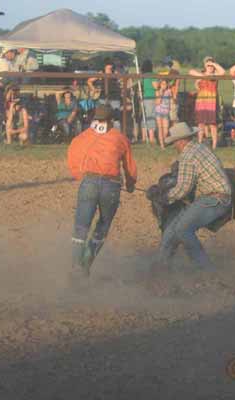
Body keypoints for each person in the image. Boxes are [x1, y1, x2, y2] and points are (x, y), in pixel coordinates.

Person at [67, 105, 138, 278]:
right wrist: (130, 184)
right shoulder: (119, 138)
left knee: (81, 226)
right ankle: (87, 262)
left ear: (94, 120)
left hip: (89, 182)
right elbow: (130, 166)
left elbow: (72, 158)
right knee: (103, 225)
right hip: (111, 185)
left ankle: (75, 264)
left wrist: (81, 176)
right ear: (111, 121)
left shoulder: (82, 137)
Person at [158, 122, 232, 270]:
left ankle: (206, 268)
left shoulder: (187, 156)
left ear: (180, 141)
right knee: (171, 231)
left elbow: (183, 189)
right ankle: (162, 265)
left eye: (174, 143)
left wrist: (164, 197)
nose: (174, 146)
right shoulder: (200, 147)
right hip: (214, 197)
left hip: (214, 200)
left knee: (182, 229)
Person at [189, 56, 225, 149]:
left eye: (211, 64)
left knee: (213, 124)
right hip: (201, 100)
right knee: (201, 123)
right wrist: (203, 76)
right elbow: (191, 71)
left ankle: (214, 144)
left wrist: (213, 64)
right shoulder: (201, 74)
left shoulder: (215, 75)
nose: (209, 66)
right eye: (207, 64)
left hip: (212, 101)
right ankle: (200, 142)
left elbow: (223, 72)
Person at [139, 59, 157, 144]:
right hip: (151, 97)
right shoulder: (152, 75)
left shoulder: (142, 76)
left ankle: (143, 136)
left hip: (144, 97)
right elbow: (155, 86)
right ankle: (151, 137)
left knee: (144, 117)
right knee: (151, 116)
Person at [155, 79, 173, 149]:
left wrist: (171, 108)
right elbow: (157, 102)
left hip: (166, 112)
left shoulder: (169, 91)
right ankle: (162, 145)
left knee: (166, 129)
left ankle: (162, 140)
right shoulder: (157, 91)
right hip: (159, 111)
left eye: (165, 84)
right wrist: (161, 93)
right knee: (160, 128)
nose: (164, 86)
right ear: (160, 85)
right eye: (162, 84)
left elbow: (171, 100)